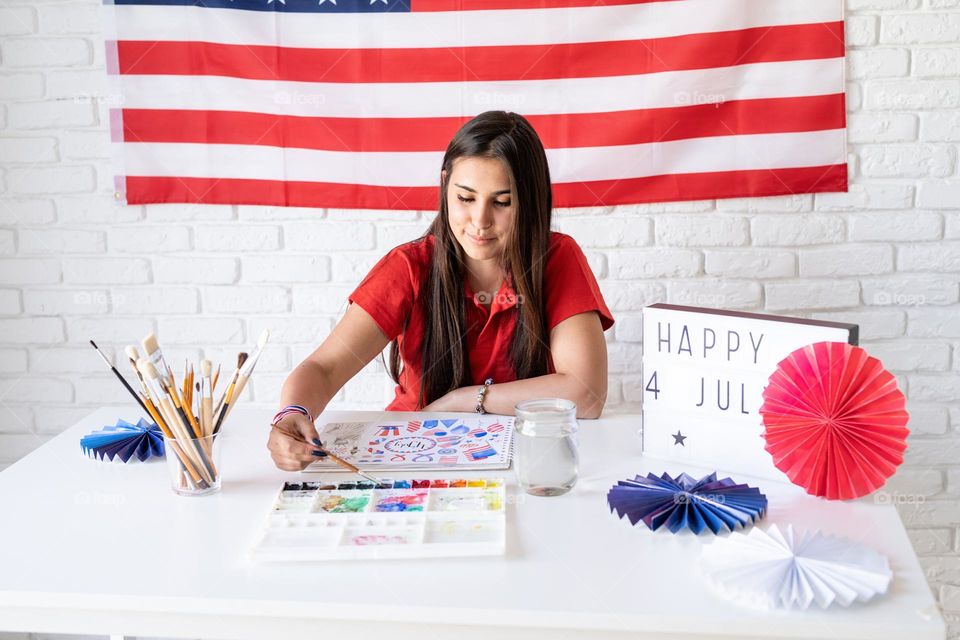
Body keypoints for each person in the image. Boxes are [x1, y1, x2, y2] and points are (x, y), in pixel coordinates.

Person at [268, 111, 614, 471]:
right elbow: (323, 369)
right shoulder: (408, 267)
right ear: (445, 185)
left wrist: (464, 400)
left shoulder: (558, 257)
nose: (480, 221)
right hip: (411, 458)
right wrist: (293, 412)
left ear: (530, 199)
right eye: (466, 198)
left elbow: (585, 394)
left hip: (526, 461)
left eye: (502, 202)